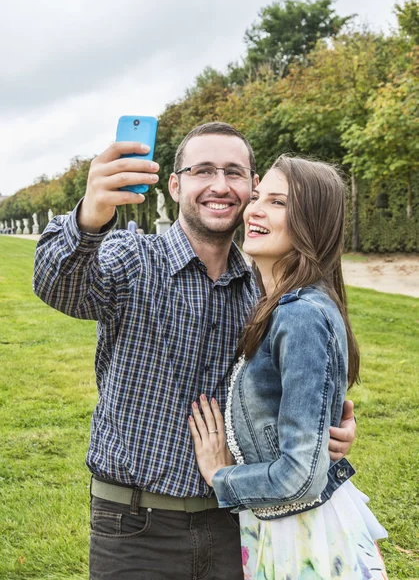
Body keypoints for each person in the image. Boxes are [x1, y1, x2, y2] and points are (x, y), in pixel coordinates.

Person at [33, 123, 356, 580]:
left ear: (251, 186)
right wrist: (90, 215)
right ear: (175, 184)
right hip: (134, 526)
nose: (220, 186)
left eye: (234, 172)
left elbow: (290, 395)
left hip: (237, 522)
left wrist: (327, 425)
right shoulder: (133, 258)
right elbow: (57, 285)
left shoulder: (267, 295)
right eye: (203, 170)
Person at [189, 155, 388, 579]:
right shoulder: (281, 305)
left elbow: (301, 476)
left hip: (304, 534)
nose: (253, 209)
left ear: (311, 224)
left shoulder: (301, 314)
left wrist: (221, 476)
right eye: (258, 196)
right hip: (282, 528)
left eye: (278, 203)